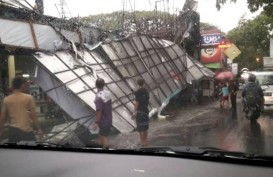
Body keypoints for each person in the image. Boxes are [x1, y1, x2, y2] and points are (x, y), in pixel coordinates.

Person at [0, 76, 43, 142]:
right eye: (24, 84)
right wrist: (38, 129)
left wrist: (0, 130)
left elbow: (2, 118)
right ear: (22, 85)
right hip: (26, 131)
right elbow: (34, 116)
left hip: (13, 131)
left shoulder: (7, 99)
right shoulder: (28, 98)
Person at [94, 78, 112, 148]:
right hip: (109, 118)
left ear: (95, 85)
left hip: (103, 121)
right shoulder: (108, 93)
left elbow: (99, 111)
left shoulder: (98, 97)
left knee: (104, 137)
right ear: (104, 85)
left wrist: (97, 122)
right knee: (102, 135)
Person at [133, 78, 149, 147]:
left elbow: (137, 103)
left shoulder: (137, 92)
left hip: (140, 112)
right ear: (144, 83)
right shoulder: (146, 91)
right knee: (145, 127)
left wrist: (134, 112)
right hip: (145, 111)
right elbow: (147, 100)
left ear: (137, 83)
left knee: (141, 128)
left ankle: (143, 143)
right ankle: (145, 141)